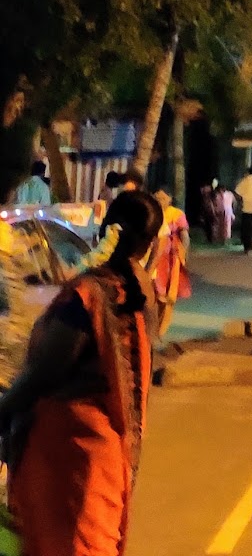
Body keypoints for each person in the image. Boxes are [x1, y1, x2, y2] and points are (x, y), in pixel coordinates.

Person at [0, 188, 164, 555]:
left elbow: (44, 372)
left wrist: (5, 409)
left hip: (67, 452)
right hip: (109, 450)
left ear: (106, 227)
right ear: (151, 244)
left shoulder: (87, 294)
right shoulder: (140, 290)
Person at [150, 190, 192, 338]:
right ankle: (152, 331)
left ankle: (160, 331)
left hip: (170, 259)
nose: (161, 200)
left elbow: (184, 236)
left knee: (168, 297)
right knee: (153, 295)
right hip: (153, 256)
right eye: (157, 197)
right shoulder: (151, 212)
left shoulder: (176, 214)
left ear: (170, 198)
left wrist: (183, 255)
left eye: (164, 197)